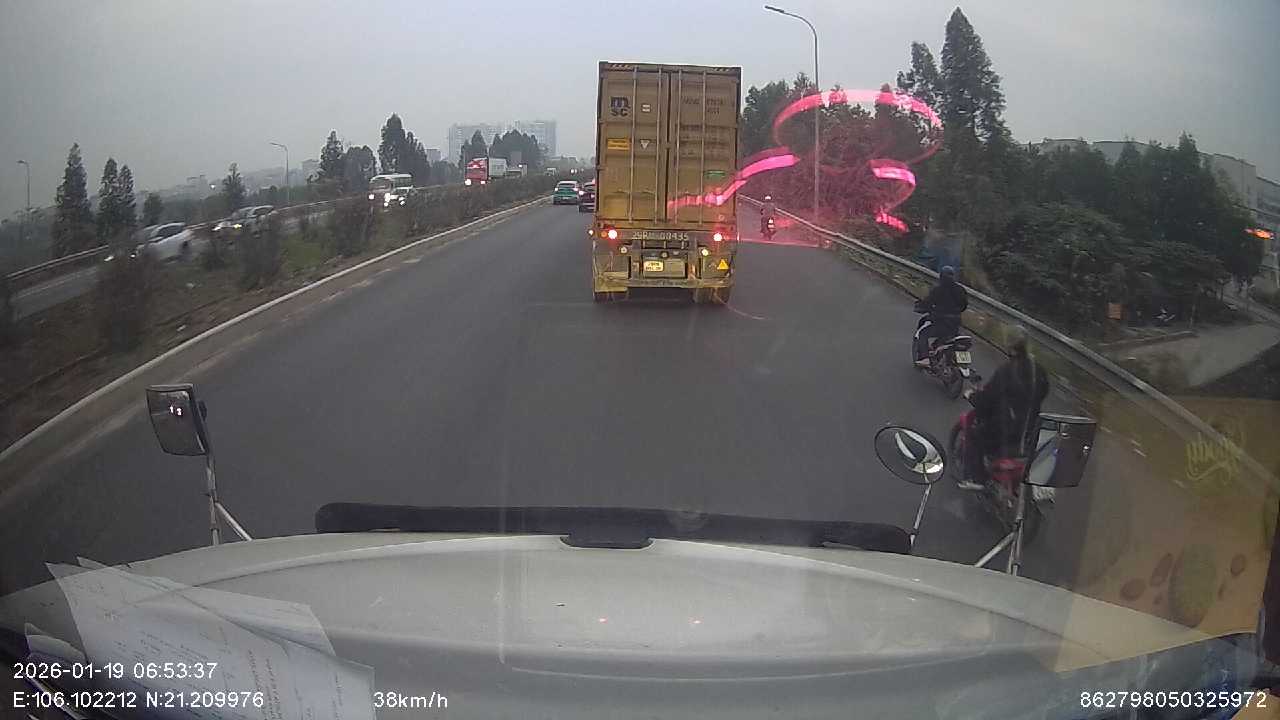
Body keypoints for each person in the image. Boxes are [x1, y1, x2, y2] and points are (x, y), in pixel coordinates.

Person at [958, 326, 1050, 490]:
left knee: (974, 435)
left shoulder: (1006, 371)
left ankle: (977, 479)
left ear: (1010, 347)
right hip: (1032, 428)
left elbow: (986, 401)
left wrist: (971, 396)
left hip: (1007, 430)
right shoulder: (1039, 370)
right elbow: (1044, 393)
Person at [913, 266, 968, 367]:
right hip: (955, 324)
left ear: (941, 276)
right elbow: (964, 305)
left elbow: (927, 303)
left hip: (941, 322)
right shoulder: (960, 289)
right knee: (947, 338)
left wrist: (921, 307)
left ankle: (925, 358)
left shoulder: (938, 290)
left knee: (923, 334)